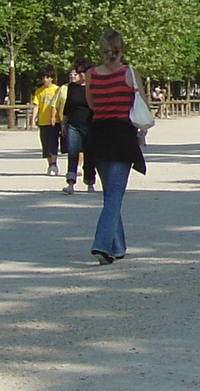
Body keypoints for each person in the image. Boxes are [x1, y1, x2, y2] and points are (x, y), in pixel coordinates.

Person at [85, 30, 147, 265]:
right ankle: (101, 244)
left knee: (109, 193)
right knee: (115, 194)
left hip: (99, 134)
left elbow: (91, 104)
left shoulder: (91, 75)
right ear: (122, 48)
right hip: (122, 135)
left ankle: (118, 246)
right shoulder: (129, 73)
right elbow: (141, 102)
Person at [56, 59, 97, 193]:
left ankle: (90, 182)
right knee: (72, 152)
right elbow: (68, 105)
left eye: (84, 72)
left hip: (90, 123)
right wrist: (63, 122)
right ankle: (71, 182)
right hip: (73, 123)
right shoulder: (72, 87)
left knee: (90, 154)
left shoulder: (93, 87)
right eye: (79, 72)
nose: (81, 75)